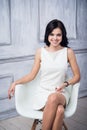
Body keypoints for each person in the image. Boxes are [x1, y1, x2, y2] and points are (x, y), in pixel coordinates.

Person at [8, 19, 80, 130]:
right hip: (43, 93)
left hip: (60, 93)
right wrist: (15, 82)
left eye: (58, 35)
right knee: (59, 110)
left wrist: (65, 84)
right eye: (52, 34)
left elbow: (77, 76)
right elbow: (31, 75)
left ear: (63, 36)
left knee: (54, 97)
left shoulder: (68, 52)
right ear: (47, 35)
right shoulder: (40, 52)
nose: (55, 38)